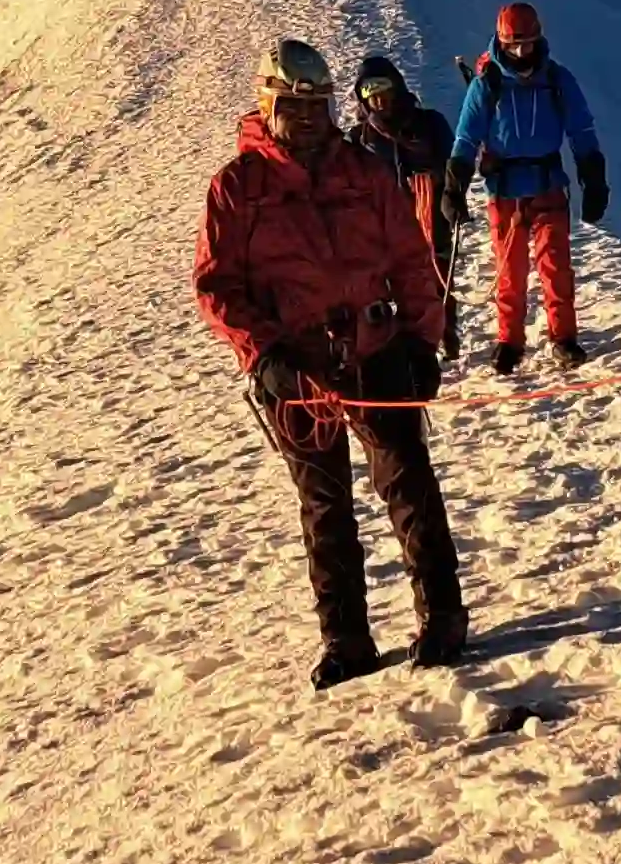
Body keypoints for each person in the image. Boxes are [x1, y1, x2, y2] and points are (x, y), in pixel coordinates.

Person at [195, 36, 469, 687]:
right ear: (268, 102)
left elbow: (410, 258)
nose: (309, 118)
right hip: (296, 369)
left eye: (318, 104)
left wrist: (420, 342)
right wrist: (263, 357)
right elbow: (216, 287)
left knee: (409, 484)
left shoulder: (363, 171)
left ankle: (444, 616)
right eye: (295, 104)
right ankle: (346, 639)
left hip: (377, 351)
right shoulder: (237, 188)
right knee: (325, 505)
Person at [445, 1, 609, 373]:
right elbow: (466, 138)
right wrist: (454, 186)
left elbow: (581, 130)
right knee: (511, 271)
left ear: (539, 39)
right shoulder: (488, 84)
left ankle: (563, 337)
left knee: (555, 266)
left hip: (549, 184)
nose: (521, 53)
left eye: (528, 44)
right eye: (514, 45)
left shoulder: (556, 79)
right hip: (504, 190)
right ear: (501, 43)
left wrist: (593, 176)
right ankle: (509, 340)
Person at [345, 54, 461, 351]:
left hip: (432, 211)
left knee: (435, 273)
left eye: (382, 90)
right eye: (370, 94)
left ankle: (444, 329)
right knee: (387, 278)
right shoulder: (360, 138)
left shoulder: (429, 123)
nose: (378, 100)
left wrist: (452, 194)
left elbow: (452, 163)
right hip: (382, 219)